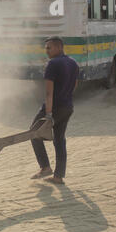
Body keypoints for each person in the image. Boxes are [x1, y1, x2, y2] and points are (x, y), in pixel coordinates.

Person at [31, 36, 79, 185]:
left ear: (59, 47)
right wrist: (66, 97)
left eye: (49, 48)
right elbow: (75, 85)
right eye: (46, 48)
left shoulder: (52, 64)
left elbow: (48, 93)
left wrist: (49, 115)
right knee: (59, 140)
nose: (46, 51)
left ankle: (45, 167)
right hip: (67, 107)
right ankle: (58, 176)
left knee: (33, 133)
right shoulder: (73, 63)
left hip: (54, 108)